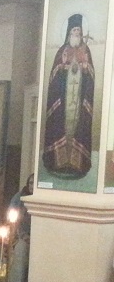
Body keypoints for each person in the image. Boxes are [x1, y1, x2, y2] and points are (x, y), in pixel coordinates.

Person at [43, 13, 94, 178]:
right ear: (69, 33)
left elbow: (91, 76)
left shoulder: (86, 51)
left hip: (78, 98)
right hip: (63, 100)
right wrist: (63, 66)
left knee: (77, 126)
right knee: (62, 126)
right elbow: (54, 75)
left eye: (78, 32)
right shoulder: (62, 51)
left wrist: (85, 68)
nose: (76, 34)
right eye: (74, 31)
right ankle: (59, 163)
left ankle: (76, 164)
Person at [6, 174, 37, 282]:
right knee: (19, 258)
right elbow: (14, 221)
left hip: (38, 239)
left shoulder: (40, 198)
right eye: (30, 183)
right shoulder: (19, 198)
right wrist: (23, 236)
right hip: (22, 237)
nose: (32, 185)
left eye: (34, 183)